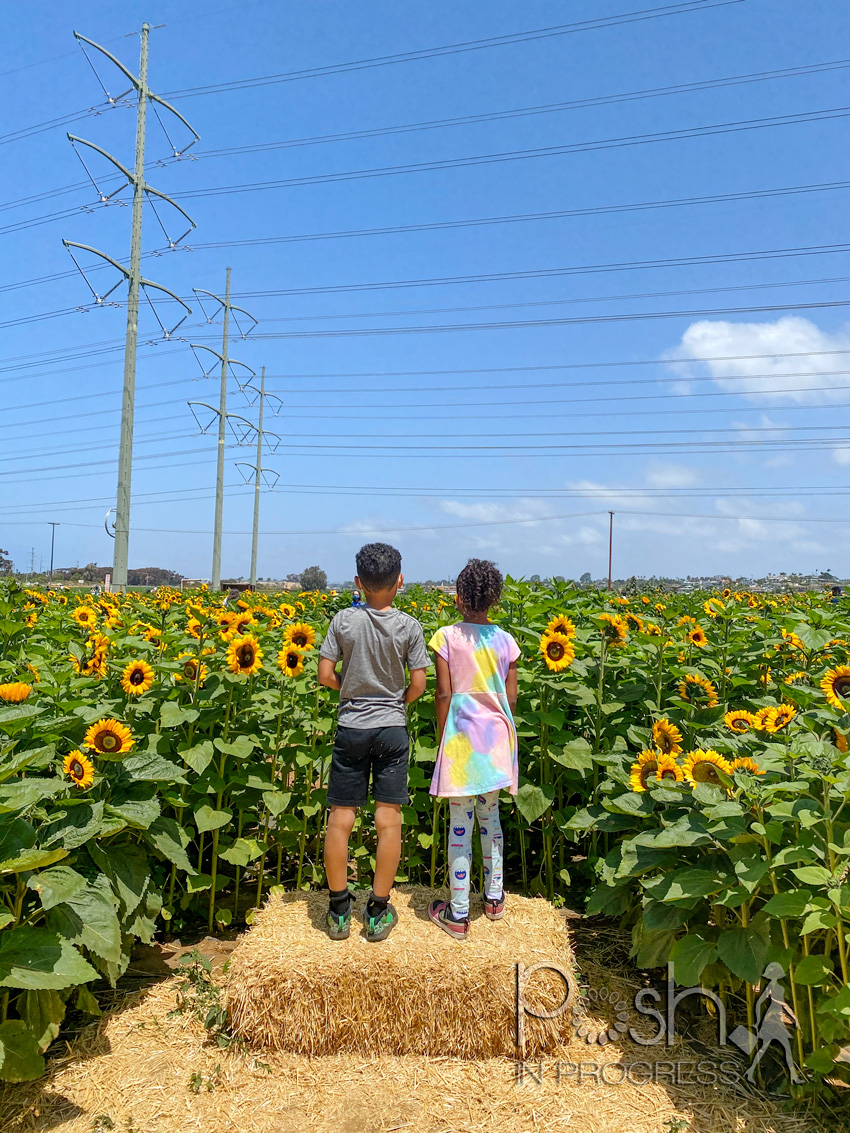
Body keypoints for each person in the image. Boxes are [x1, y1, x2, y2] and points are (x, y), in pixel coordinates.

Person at [318, 543, 430, 942]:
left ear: (357, 582)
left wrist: (349, 692)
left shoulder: (343, 622)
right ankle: (379, 907)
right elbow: (419, 682)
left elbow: (325, 673)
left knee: (341, 818)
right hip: (392, 730)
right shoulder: (409, 627)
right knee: (389, 820)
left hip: (352, 727)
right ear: (400, 581)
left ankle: (338, 908)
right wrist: (396, 702)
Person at [426, 559, 520, 940]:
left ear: (459, 596)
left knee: (460, 827)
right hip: (497, 739)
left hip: (463, 740)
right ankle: (495, 900)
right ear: (494, 598)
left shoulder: (446, 637)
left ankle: (459, 913)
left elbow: (443, 692)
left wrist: (444, 732)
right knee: (491, 818)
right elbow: (511, 697)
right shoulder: (507, 641)